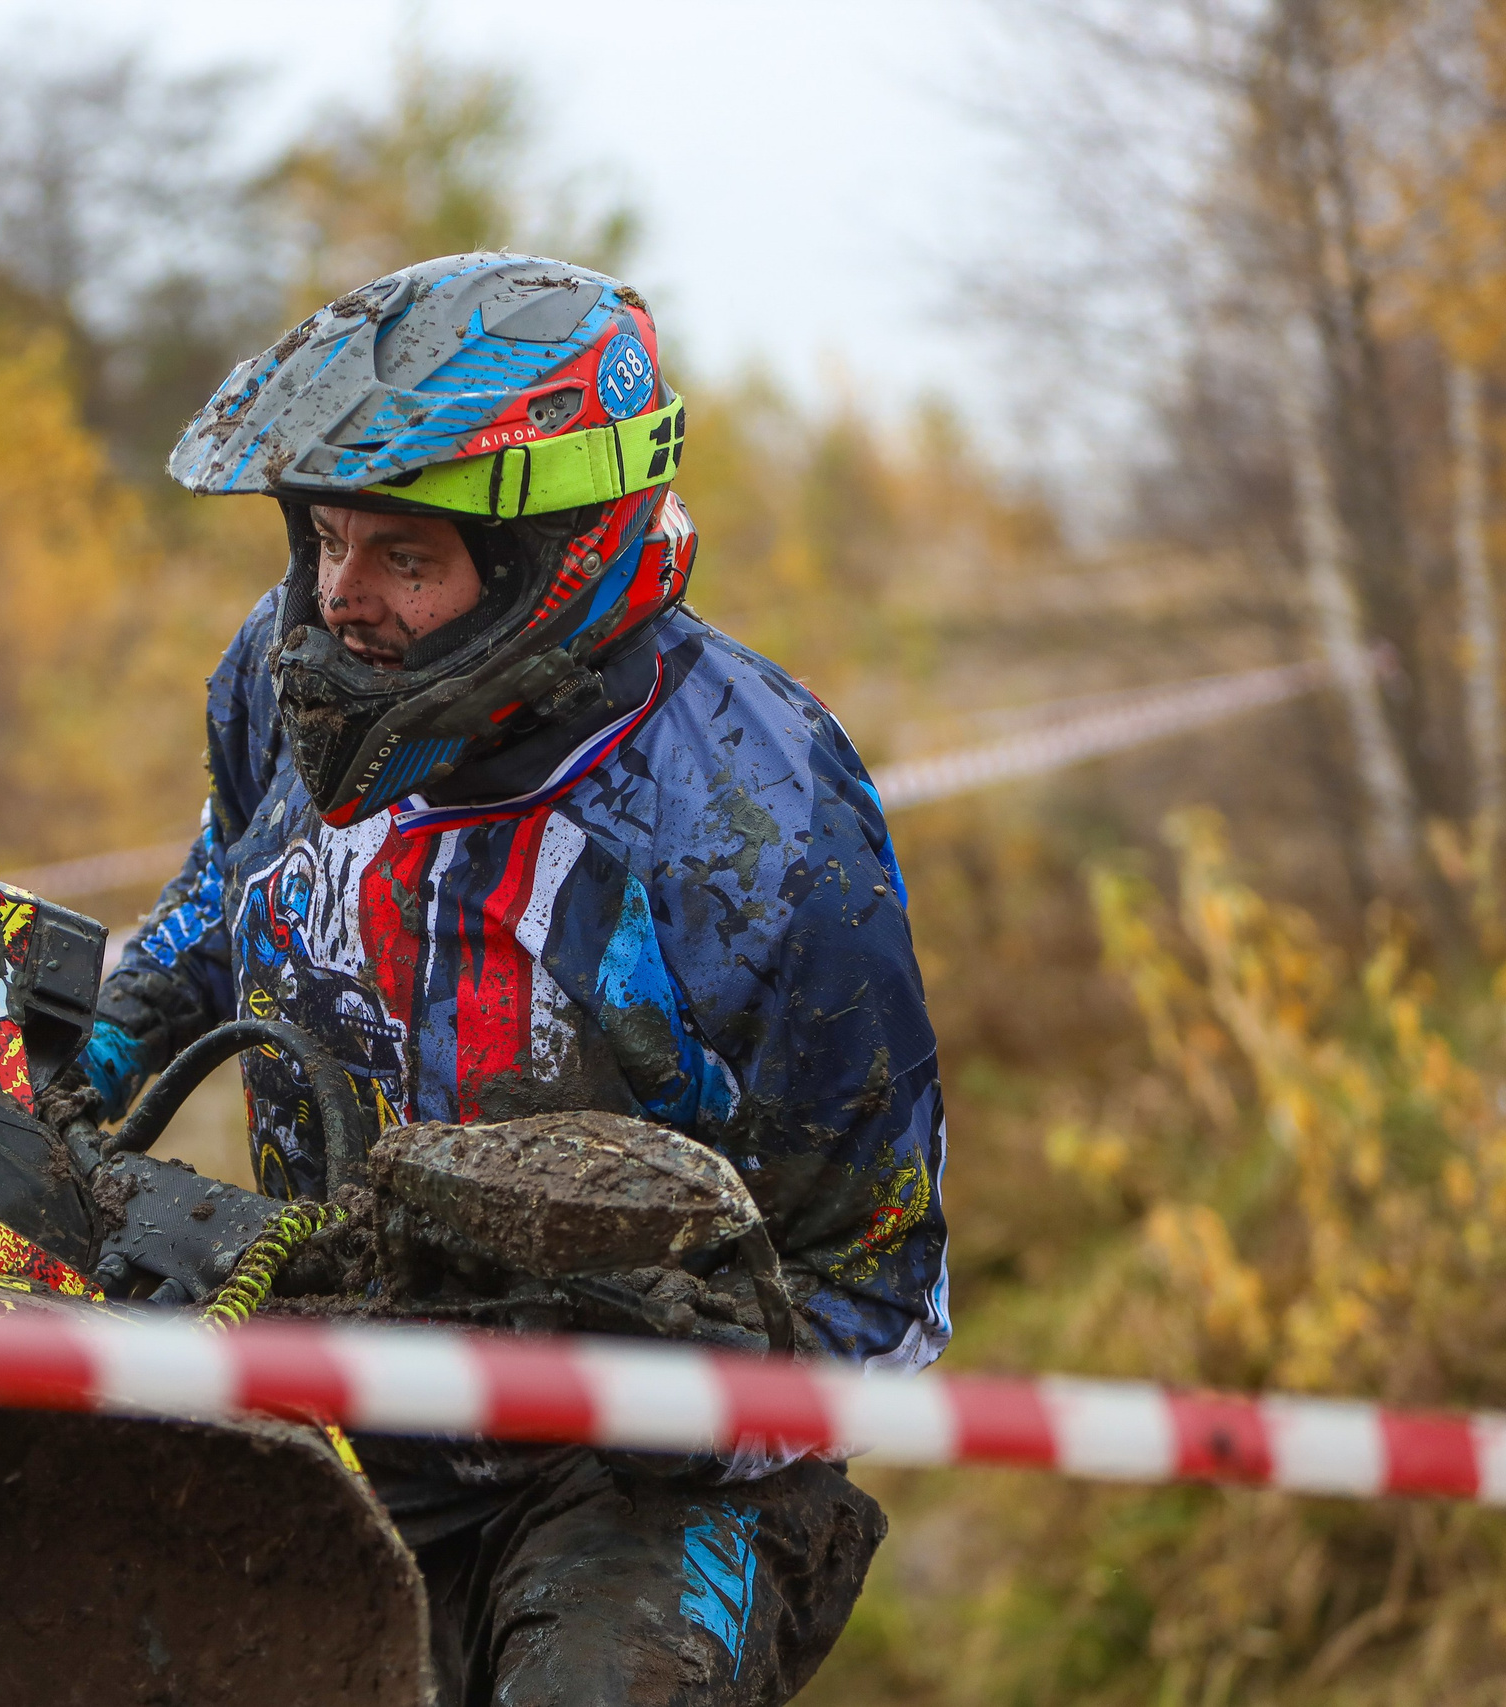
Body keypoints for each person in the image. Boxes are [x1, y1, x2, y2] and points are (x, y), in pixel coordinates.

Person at [71, 255, 949, 1705]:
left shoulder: (756, 832)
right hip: (336, 1359)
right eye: (325, 540)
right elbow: (221, 901)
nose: (340, 599)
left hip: (636, 1478)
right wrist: (82, 1054)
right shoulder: (285, 682)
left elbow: (881, 1290)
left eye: (404, 559)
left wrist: (676, 1380)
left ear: (555, 554)